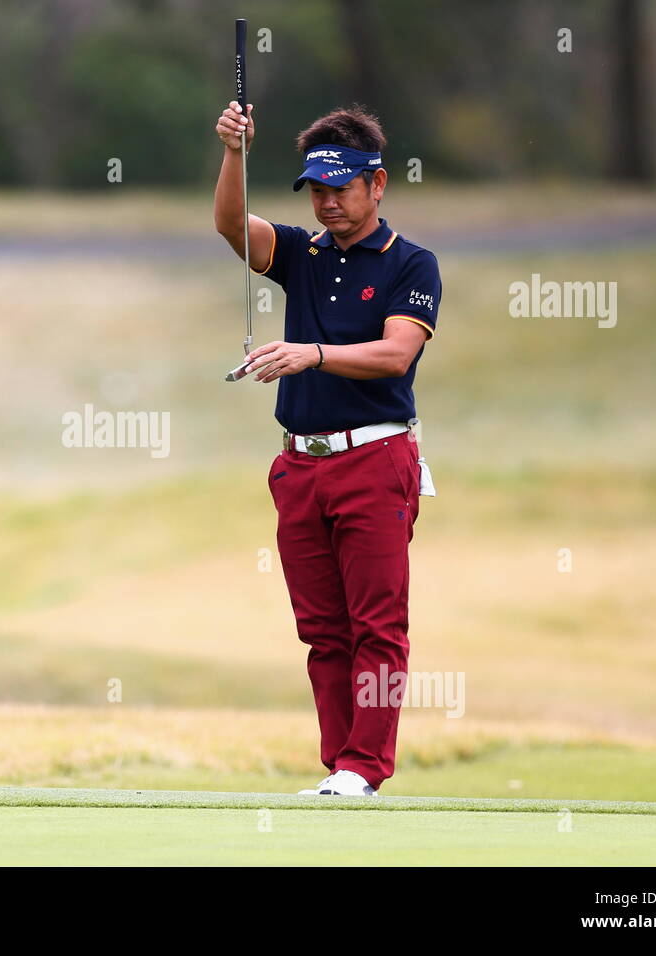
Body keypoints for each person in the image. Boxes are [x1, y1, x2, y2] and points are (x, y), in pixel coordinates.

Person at [213, 100, 441, 796]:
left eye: (340, 189)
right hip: (300, 467)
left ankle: (365, 768)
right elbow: (230, 226)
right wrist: (233, 153)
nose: (327, 203)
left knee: (377, 625)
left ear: (377, 184)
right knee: (322, 629)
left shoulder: (411, 263)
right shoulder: (303, 254)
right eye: (316, 190)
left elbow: (396, 354)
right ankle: (341, 765)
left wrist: (313, 353)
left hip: (375, 460)